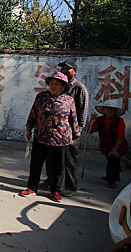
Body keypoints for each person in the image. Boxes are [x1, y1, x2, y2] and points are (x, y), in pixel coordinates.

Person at [22, 71, 81, 202]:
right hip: (41, 135)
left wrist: (75, 135)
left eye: (57, 84)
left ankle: (55, 190)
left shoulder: (68, 100)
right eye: (51, 83)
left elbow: (73, 119)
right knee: (36, 163)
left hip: (61, 139)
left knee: (58, 167)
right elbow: (33, 113)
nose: (53, 86)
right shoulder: (41, 97)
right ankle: (32, 187)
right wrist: (28, 128)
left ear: (63, 86)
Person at [45, 60, 89, 197]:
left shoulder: (79, 88)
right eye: (62, 68)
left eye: (67, 69)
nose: (64, 71)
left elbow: (83, 111)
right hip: (53, 130)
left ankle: (70, 186)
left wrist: (78, 131)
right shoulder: (58, 85)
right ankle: (51, 181)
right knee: (52, 157)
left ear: (75, 71)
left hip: (70, 131)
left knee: (70, 159)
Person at [88, 100, 128, 188]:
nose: (109, 111)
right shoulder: (99, 120)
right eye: (107, 109)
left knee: (113, 158)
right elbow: (90, 131)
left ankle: (111, 180)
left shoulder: (119, 121)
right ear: (104, 110)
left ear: (115, 111)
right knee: (111, 160)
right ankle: (114, 174)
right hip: (106, 145)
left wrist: (114, 150)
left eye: (112, 109)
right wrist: (91, 121)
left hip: (119, 145)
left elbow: (121, 137)